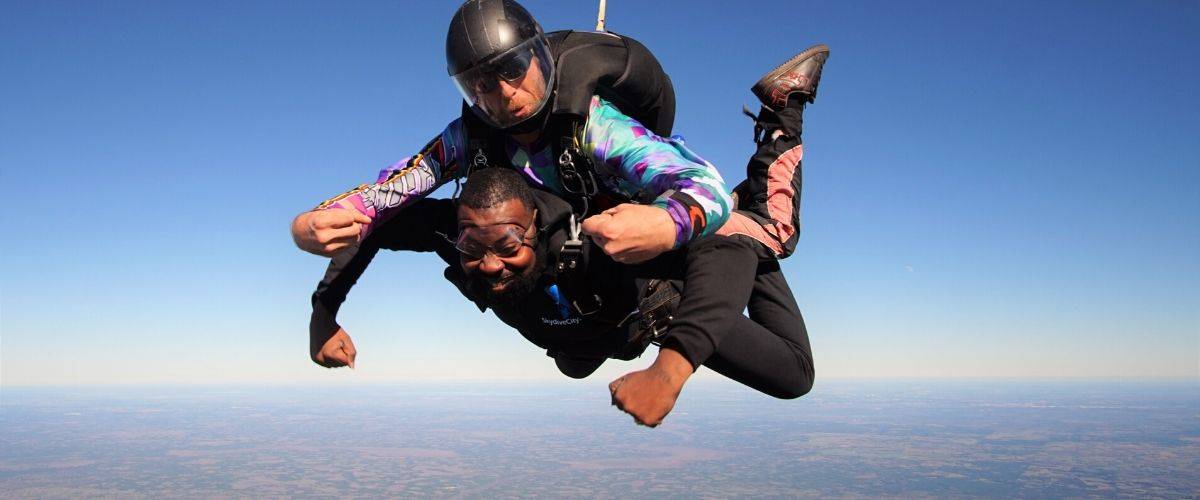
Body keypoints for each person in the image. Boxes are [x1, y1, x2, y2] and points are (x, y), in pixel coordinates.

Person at [291, 0, 727, 267]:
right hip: (556, 246)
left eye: (513, 68)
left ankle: (778, 116)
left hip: (624, 218)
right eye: (480, 83)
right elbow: (394, 190)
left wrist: (667, 223)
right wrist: (306, 225)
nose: (502, 92)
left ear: (539, 57)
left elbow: (705, 184)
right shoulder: (466, 137)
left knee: (769, 238)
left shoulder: (597, 126)